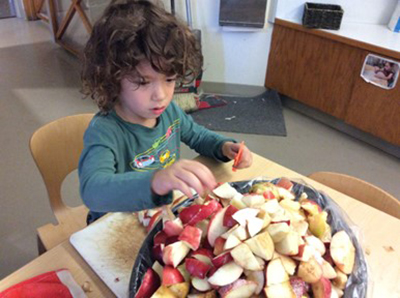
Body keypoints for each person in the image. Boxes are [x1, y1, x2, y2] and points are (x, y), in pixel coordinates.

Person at [79, 0, 252, 223]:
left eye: (169, 79)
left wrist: (224, 147)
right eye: (143, 82)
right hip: (114, 225)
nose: (160, 95)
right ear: (111, 78)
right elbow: (93, 191)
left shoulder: (169, 112)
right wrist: (155, 181)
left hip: (160, 215)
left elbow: (198, 136)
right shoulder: (104, 131)